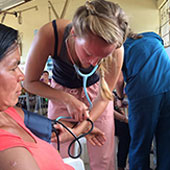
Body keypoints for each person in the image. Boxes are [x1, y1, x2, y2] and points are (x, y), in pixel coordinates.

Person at [23, 0, 129, 169]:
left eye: (102, 57)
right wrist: (66, 99)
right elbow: (29, 82)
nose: (93, 63)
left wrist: (81, 129)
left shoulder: (117, 48)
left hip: (98, 95)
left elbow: (104, 98)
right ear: (74, 33)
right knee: (60, 154)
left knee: (103, 159)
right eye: (88, 53)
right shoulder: (50, 34)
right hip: (59, 92)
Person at [0, 23, 74, 170]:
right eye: (13, 67)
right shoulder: (9, 153)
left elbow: (51, 128)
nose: (21, 76)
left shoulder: (8, 112)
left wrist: (83, 130)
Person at [116, 32, 170, 170]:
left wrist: (120, 98)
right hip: (168, 87)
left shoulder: (119, 48)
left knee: (140, 142)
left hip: (144, 93)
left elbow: (119, 79)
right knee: (166, 141)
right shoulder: (153, 36)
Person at [113, 91, 130, 170]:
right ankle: (121, 165)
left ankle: (124, 163)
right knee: (126, 132)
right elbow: (109, 110)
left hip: (114, 116)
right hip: (103, 118)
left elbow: (116, 106)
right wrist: (124, 119)